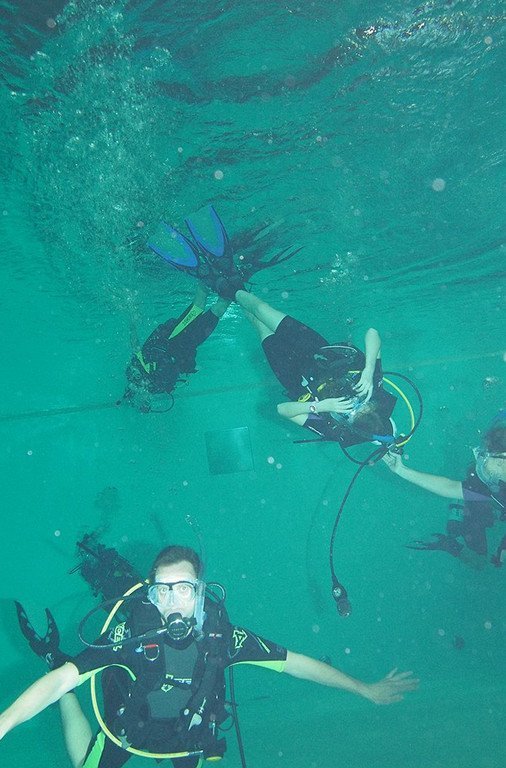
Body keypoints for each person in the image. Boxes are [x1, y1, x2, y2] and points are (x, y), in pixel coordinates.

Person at [0, 545, 419, 767]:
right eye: (163, 591)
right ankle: (55, 668)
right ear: (152, 596)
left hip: (188, 735)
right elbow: (63, 679)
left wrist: (363, 688)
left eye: (184, 589)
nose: (173, 602)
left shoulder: (224, 638)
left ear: (200, 592)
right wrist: (5, 722)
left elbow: (295, 664)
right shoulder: (131, 635)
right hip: (129, 726)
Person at [150, 207, 397, 447]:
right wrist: (368, 371)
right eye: (363, 407)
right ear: (373, 406)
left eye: (352, 416)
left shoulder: (335, 430)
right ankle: (225, 284)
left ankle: (226, 282)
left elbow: (283, 410)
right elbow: (373, 333)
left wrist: (321, 407)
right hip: (315, 348)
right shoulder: (374, 387)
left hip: (292, 375)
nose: (353, 408)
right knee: (261, 308)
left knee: (257, 322)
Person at [382, 413, 506, 565]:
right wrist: (401, 470)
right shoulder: (492, 485)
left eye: (485, 457)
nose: (481, 464)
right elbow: (450, 487)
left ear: (502, 460)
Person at [124, 283, 230, 412]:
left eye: (142, 402)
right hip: (183, 343)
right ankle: (226, 286)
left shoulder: (137, 375)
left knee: (200, 307)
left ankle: (217, 282)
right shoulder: (155, 387)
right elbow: (173, 368)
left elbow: (137, 349)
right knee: (210, 310)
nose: (146, 400)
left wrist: (132, 325)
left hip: (174, 337)